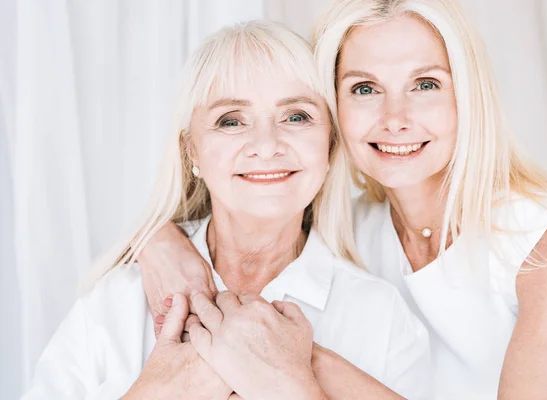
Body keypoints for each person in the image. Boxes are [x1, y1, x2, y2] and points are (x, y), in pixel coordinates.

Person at [141, 0, 547, 398]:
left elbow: (275, 356)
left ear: (468, 93)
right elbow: (230, 201)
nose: (394, 118)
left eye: (425, 84)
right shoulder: (349, 227)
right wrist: (158, 243)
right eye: (365, 88)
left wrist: (293, 360)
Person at [21, 21, 431, 400]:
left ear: (330, 146)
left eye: (296, 116)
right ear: (191, 150)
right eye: (231, 121)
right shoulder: (115, 301)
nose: (267, 144)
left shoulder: (381, 316)